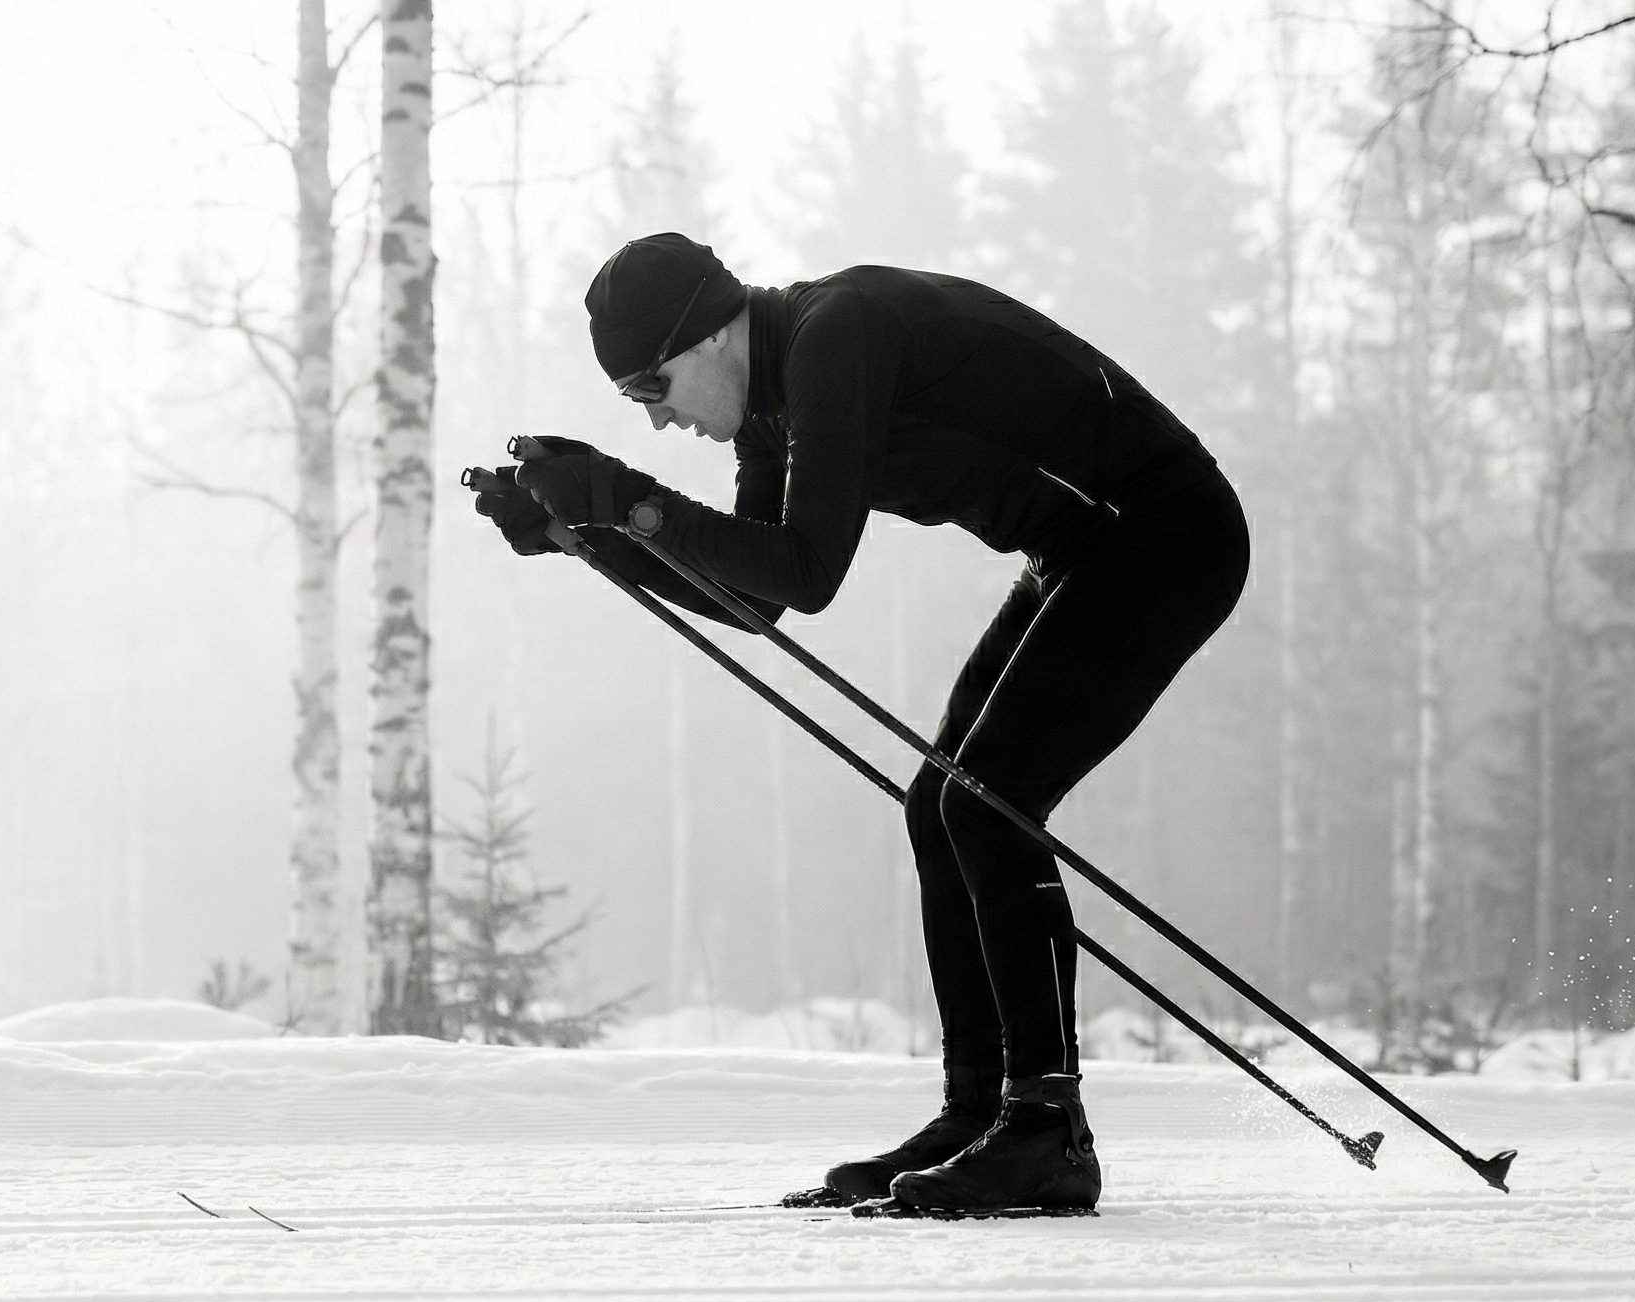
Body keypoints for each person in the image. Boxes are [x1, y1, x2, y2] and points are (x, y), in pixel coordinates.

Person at [468, 233, 1249, 1215]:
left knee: (987, 803)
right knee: (941, 806)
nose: (662, 421)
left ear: (707, 336)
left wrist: (633, 501)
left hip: (1163, 536)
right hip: (1082, 552)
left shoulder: (837, 334)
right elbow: (755, 603)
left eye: (651, 390)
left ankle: (1047, 1131)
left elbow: (808, 570)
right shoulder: (770, 400)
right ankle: (983, 1119)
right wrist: (590, 534)